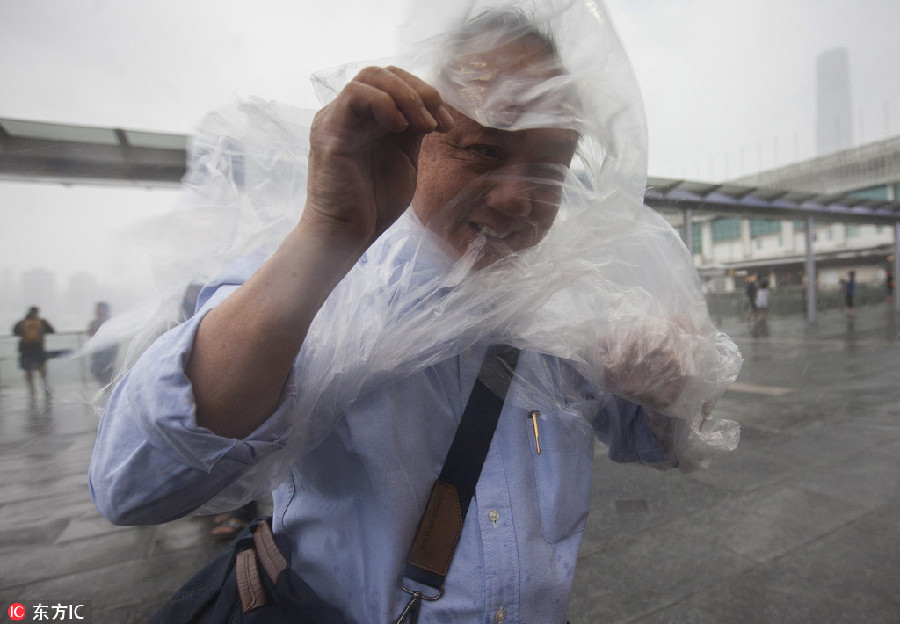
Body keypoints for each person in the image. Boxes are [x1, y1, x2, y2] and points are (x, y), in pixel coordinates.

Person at [89, 3, 740, 622]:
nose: (517, 198)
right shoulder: (331, 288)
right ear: (417, 139)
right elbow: (135, 483)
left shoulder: (571, 304)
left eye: (549, 168)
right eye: (483, 151)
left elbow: (660, 441)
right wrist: (327, 235)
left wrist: (671, 387)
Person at [12, 306, 55, 399]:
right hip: (38, 348)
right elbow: (52, 330)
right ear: (37, 312)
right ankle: (45, 387)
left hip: (26, 349)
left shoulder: (22, 322)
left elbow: (15, 332)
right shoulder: (42, 322)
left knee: (28, 370)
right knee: (42, 369)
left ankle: (32, 390)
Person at [86, 301, 118, 386]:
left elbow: (115, 336)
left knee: (107, 371)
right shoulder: (94, 322)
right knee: (96, 371)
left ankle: (108, 388)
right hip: (97, 352)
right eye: (97, 309)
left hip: (109, 351)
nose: (98, 311)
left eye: (100, 309)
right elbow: (90, 333)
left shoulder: (110, 322)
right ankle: (105, 387)